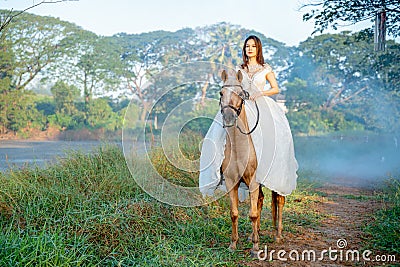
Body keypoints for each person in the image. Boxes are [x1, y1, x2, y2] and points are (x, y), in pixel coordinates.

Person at [199, 35, 298, 200]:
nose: (250, 49)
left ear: (258, 48)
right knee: (217, 133)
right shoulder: (240, 68)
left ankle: (270, 169)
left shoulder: (266, 69)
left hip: (260, 104)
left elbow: (275, 89)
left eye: (253, 46)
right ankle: (219, 172)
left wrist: (260, 93)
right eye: (247, 46)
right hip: (242, 104)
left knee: (273, 135)